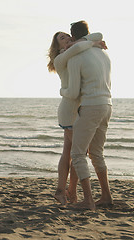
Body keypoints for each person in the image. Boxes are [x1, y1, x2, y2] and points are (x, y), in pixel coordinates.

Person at [47, 30, 107, 205]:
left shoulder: (75, 51)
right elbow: (92, 41)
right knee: (78, 153)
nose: (67, 38)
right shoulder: (62, 57)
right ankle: (69, 192)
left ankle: (63, 191)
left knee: (70, 152)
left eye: (67, 36)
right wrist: (94, 44)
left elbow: (97, 34)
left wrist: (91, 42)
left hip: (76, 108)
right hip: (69, 108)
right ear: (57, 46)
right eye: (61, 38)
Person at [62, 20, 113, 210]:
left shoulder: (76, 56)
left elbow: (73, 92)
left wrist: (62, 90)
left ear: (73, 36)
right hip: (107, 104)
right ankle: (106, 196)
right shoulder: (102, 52)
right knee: (97, 153)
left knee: (77, 154)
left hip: (91, 105)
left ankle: (88, 201)